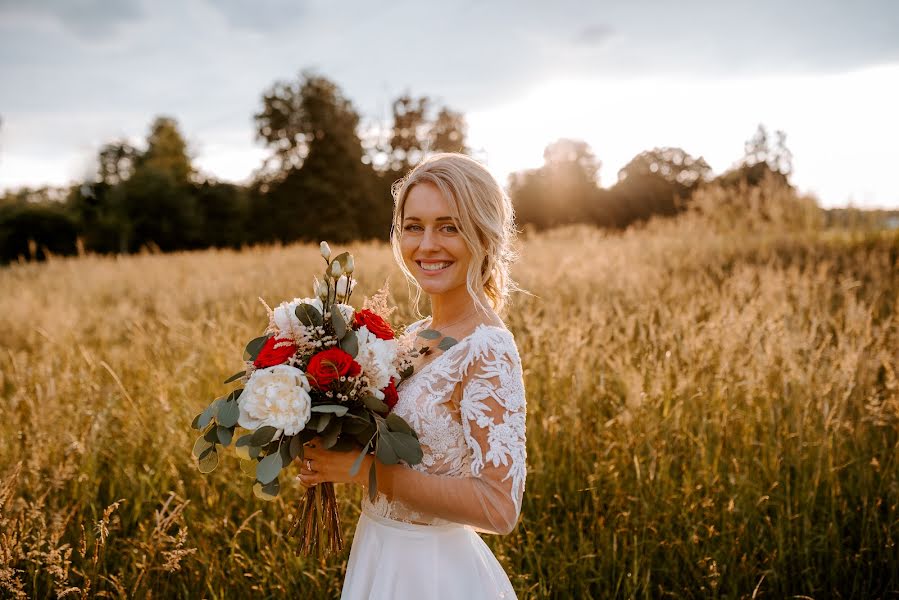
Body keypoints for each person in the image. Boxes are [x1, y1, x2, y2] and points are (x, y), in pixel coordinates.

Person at [299, 153, 527, 599]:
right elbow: (399, 450)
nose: (427, 245)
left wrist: (362, 470)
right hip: (379, 554)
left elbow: (500, 508)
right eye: (413, 226)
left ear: (484, 234)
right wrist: (323, 441)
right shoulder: (412, 336)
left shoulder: (488, 348)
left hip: (435, 573)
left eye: (449, 226)